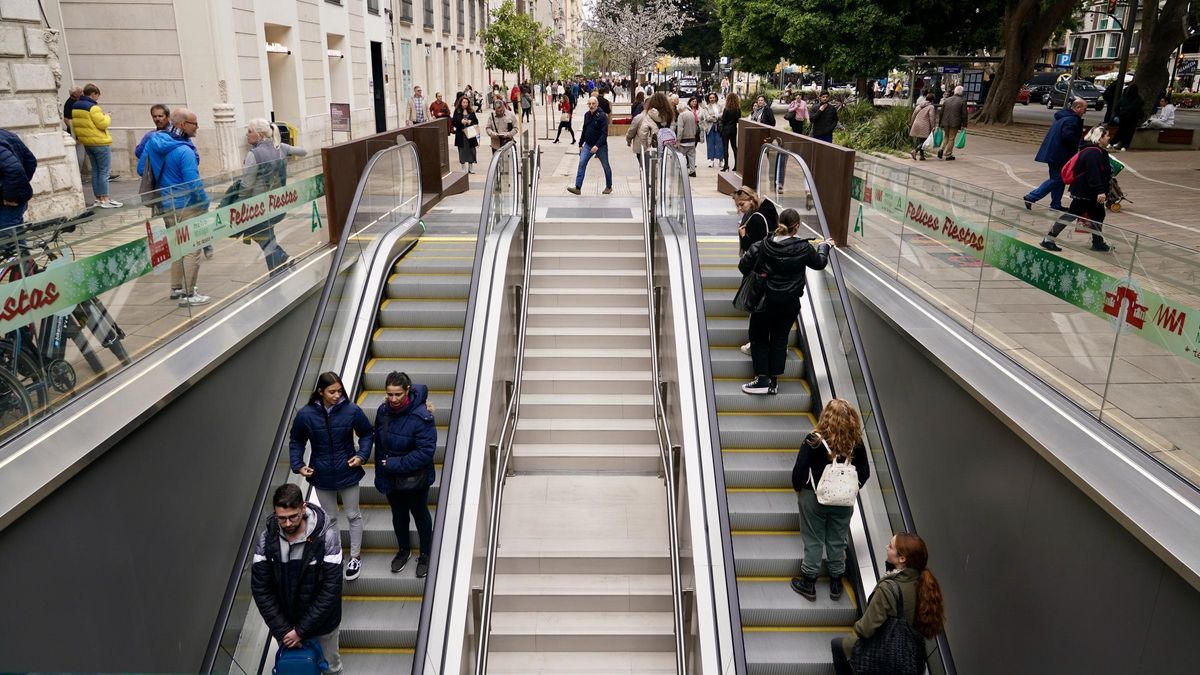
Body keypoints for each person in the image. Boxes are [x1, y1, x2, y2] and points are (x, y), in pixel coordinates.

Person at [288, 371, 373, 581]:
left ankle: (354, 557)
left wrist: (361, 456)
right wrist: (298, 464)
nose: (337, 395)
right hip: (322, 474)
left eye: (339, 391)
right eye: (332, 392)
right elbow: (296, 440)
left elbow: (367, 433)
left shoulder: (351, 410)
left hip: (348, 471)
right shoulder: (306, 415)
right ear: (320, 392)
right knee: (330, 519)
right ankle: (336, 556)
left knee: (353, 515)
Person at [738, 209, 833, 395]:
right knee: (780, 338)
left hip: (764, 301)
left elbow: (743, 266)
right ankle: (773, 381)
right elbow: (820, 263)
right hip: (789, 303)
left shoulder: (762, 245)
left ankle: (762, 379)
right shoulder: (804, 248)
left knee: (759, 337)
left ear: (779, 223)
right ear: (796, 228)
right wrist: (824, 246)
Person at [252, 483, 344, 674]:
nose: (287, 524)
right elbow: (261, 589)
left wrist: (300, 631)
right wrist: (285, 630)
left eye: (292, 517)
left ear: (303, 508)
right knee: (297, 669)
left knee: (331, 669)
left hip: (323, 625)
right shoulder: (266, 540)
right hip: (286, 625)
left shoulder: (327, 538)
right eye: (281, 519)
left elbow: (331, 590)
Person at [790, 398, 870, 601]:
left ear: (826, 416)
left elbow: (799, 472)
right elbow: (865, 472)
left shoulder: (813, 440)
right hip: (844, 502)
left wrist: (800, 490)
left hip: (814, 497)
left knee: (813, 538)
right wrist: (852, 489)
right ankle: (836, 582)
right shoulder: (856, 444)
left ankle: (809, 581)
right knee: (837, 539)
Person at [831, 533, 945, 675]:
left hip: (886, 654)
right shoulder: (923, 584)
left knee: (838, 646)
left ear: (902, 558)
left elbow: (866, 628)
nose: (886, 547)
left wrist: (849, 643)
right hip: (910, 657)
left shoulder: (889, 588)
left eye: (890, 546)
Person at [139, 107, 211, 306]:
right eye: (194, 123)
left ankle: (176, 288)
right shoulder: (184, 150)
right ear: (182, 125)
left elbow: (140, 169)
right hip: (187, 206)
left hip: (166, 204)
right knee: (191, 248)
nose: (197, 127)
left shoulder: (154, 143)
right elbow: (193, 183)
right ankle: (189, 295)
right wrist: (205, 203)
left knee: (177, 246)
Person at [374, 371, 437, 578]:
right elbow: (380, 445)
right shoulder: (383, 411)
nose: (393, 399)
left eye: (398, 394)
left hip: (415, 478)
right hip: (390, 476)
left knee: (420, 514)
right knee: (398, 516)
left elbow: (425, 452)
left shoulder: (422, 416)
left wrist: (394, 463)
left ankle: (426, 554)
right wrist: (381, 473)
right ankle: (404, 550)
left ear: (407, 391)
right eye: (389, 394)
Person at [240, 117, 308, 274]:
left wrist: (239, 201)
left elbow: (247, 184)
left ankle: (283, 257)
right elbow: (303, 151)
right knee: (267, 236)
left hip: (259, 207)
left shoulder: (254, 154)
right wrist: (282, 147)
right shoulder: (280, 148)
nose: (246, 135)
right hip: (278, 204)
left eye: (249, 131)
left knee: (259, 235)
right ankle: (275, 271)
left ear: (260, 134)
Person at [1041, 125, 1114, 253]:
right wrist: (1100, 191)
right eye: (1107, 135)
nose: (1109, 138)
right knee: (1073, 214)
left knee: (1097, 215)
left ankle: (1098, 242)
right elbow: (1094, 174)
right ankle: (1048, 239)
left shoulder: (1090, 150)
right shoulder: (1093, 153)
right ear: (1100, 137)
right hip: (1087, 192)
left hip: (1085, 191)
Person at [1023, 98, 1086, 212]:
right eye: (1084, 109)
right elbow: (1068, 137)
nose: (1085, 112)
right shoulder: (1072, 120)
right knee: (1059, 179)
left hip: (1054, 153)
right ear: (1077, 108)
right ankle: (1032, 196)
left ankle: (1056, 204)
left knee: (1057, 179)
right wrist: (1080, 142)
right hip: (1061, 155)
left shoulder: (1063, 117)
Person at [71, 84, 121, 208]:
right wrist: (107, 116)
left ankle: (98, 198)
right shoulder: (93, 107)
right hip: (100, 142)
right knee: (104, 171)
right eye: (97, 96)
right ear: (93, 94)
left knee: (96, 171)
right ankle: (105, 198)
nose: (97, 99)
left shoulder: (76, 106)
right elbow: (102, 124)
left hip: (87, 143)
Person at [567, 97, 612, 196]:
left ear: (597, 104)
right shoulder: (587, 115)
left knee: (605, 166)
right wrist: (580, 144)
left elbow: (604, 133)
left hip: (600, 146)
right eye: (589, 104)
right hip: (588, 145)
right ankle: (578, 187)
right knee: (582, 163)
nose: (591, 106)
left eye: (593, 104)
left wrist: (597, 145)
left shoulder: (602, 116)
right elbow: (584, 130)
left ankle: (609, 186)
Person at [0, 128, 37, 234]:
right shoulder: (7, 134)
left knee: (8, 240)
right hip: (15, 196)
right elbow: (30, 161)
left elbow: (14, 169)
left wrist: (9, 196)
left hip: (10, 200)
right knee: (17, 237)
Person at [674, 96, 702, 177]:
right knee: (692, 156)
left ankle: (682, 171)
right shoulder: (692, 114)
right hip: (692, 139)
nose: (678, 111)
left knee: (681, 157)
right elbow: (696, 127)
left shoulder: (681, 115)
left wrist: (678, 140)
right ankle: (692, 171)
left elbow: (680, 129)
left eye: (679, 110)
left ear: (681, 109)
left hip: (683, 140)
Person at [1110, 84, 1143, 151]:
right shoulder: (1138, 99)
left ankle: (1113, 143)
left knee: (1121, 131)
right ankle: (1124, 146)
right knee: (1129, 133)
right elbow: (1140, 107)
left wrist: (1119, 114)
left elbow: (1117, 107)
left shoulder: (1124, 97)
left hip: (1123, 117)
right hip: (1133, 119)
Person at [937, 85, 967, 160]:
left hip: (945, 121)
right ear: (961, 92)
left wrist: (940, 123)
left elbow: (941, 112)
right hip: (955, 123)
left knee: (946, 136)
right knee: (951, 138)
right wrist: (964, 124)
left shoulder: (947, 100)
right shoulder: (962, 101)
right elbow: (964, 114)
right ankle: (948, 154)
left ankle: (941, 149)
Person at [452, 95, 480, 174]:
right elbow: (454, 122)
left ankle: (471, 167)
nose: (465, 104)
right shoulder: (457, 111)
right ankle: (463, 167)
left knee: (471, 150)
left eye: (466, 102)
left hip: (470, 133)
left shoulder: (471, 111)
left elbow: (476, 121)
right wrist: (461, 122)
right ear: (460, 103)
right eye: (463, 102)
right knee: (462, 150)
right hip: (461, 134)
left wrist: (471, 122)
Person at [906, 93, 938, 161]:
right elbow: (931, 117)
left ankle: (922, 156)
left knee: (921, 140)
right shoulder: (931, 107)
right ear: (932, 100)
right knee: (924, 141)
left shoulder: (919, 105)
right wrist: (933, 127)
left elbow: (913, 115)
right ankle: (915, 151)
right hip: (924, 125)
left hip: (916, 124)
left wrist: (912, 123)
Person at [719, 93, 741, 172]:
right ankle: (736, 165)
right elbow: (738, 119)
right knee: (734, 147)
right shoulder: (737, 109)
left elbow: (723, 120)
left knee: (725, 147)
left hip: (726, 129)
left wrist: (721, 129)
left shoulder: (726, 109)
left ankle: (726, 165)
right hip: (733, 129)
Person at [702, 93, 724, 168]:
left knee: (720, 144)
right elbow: (707, 118)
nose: (712, 99)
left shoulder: (720, 105)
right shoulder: (706, 107)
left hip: (719, 127)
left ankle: (721, 160)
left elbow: (722, 114)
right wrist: (717, 117)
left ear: (716, 98)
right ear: (708, 99)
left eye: (713, 97)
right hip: (710, 128)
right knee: (710, 144)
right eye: (710, 98)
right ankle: (711, 161)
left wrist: (715, 116)